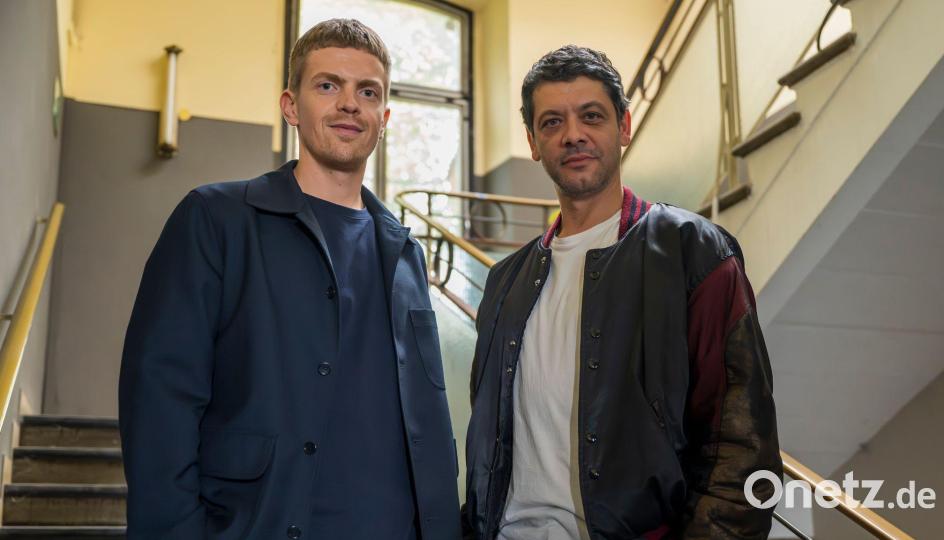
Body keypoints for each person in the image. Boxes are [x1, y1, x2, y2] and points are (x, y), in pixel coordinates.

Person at [119, 19, 460, 540]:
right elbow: (160, 399)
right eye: (327, 85)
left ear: (384, 118)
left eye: (367, 92)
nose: (349, 104)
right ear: (291, 106)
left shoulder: (406, 252)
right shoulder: (216, 219)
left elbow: (427, 417)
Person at [462, 45, 782, 539]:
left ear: (624, 126)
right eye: (552, 122)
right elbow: (488, 446)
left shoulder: (692, 251)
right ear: (532, 142)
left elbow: (740, 446)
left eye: (591, 116)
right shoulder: (505, 282)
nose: (573, 134)